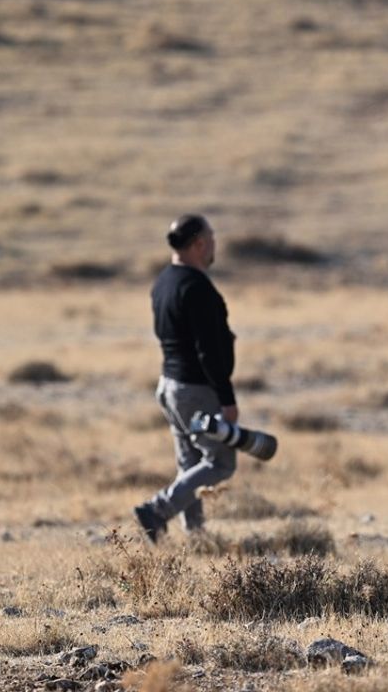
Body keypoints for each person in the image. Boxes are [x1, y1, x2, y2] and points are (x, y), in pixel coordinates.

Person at [133, 214, 239, 543]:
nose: (214, 245)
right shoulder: (196, 287)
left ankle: (196, 535)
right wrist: (226, 397)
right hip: (196, 389)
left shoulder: (163, 282)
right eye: (212, 238)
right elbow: (207, 349)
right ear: (199, 244)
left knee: (191, 461)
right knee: (221, 462)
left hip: (170, 387)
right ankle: (157, 509)